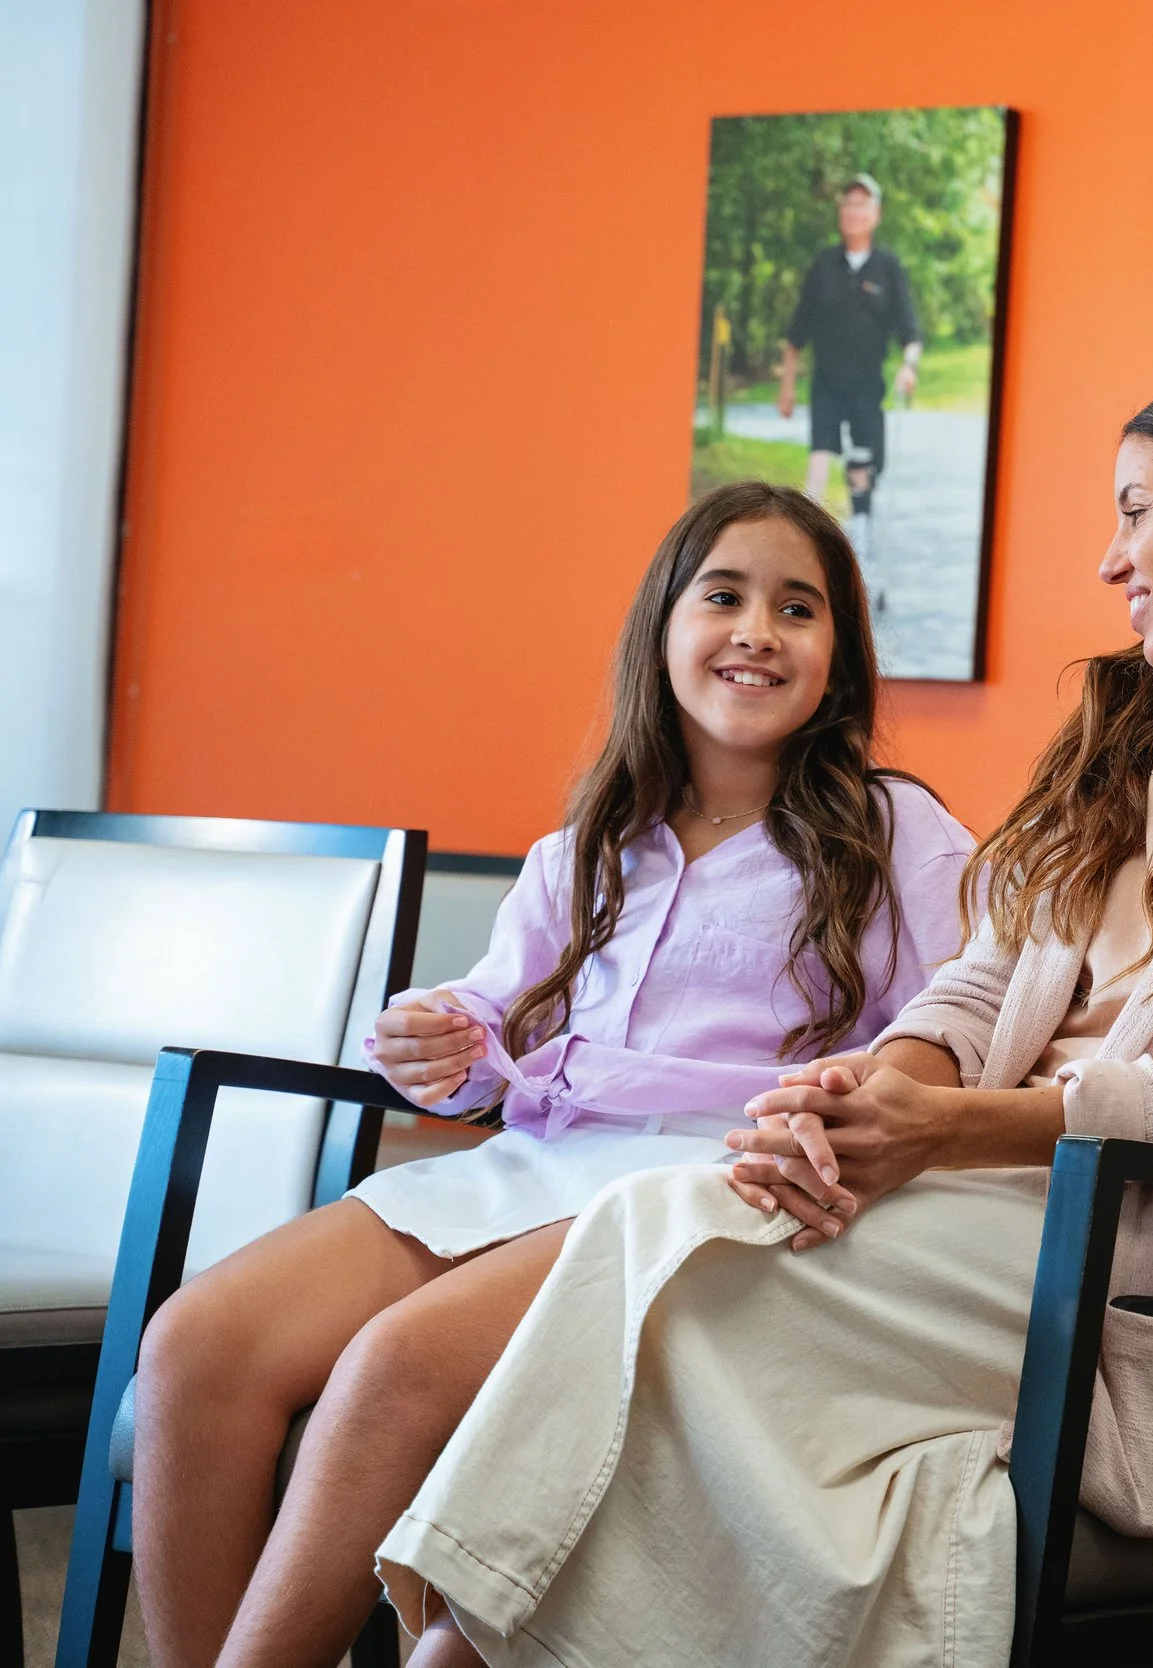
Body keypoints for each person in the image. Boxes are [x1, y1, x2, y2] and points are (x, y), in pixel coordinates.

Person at [347, 365, 1153, 1668]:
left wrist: (943, 1130)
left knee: (666, 1255)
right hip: (965, 1197)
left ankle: (459, 1641)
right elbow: (977, 982)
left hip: (1127, 1256)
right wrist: (875, 1091)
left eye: (1136, 512)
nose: (1109, 557)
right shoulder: (1127, 733)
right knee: (670, 1269)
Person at [130, 481, 976, 1668]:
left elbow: (960, 1038)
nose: (757, 631)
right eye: (723, 597)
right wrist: (440, 1040)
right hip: (535, 1167)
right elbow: (491, 1017)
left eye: (799, 608)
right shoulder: (583, 847)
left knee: (391, 1368)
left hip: (707, 1199)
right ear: (662, 629)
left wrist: (855, 1111)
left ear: (837, 661)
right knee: (191, 1347)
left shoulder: (902, 836)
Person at [777, 172, 922, 590]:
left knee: (862, 465)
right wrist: (787, 387)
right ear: (840, 213)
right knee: (820, 459)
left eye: (862, 205)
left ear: (875, 214)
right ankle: (804, 547)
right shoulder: (824, 266)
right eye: (848, 204)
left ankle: (861, 549)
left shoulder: (888, 268)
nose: (853, 212)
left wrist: (909, 366)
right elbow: (796, 334)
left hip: (867, 387)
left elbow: (910, 332)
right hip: (826, 384)